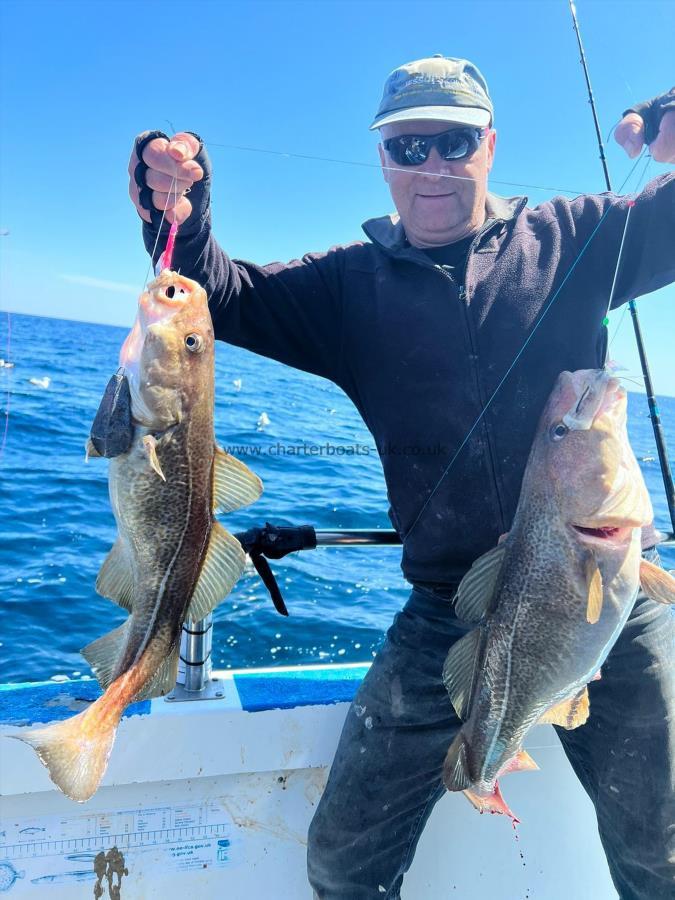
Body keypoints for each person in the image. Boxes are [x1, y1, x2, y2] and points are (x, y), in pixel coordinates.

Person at [128, 57, 675, 900]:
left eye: (452, 141)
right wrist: (182, 216)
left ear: (488, 145)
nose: (431, 167)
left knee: (659, 857)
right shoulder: (349, 286)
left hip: (604, 597)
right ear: (381, 155)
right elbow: (224, 295)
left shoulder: (576, 237)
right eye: (408, 145)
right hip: (443, 610)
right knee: (342, 860)